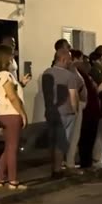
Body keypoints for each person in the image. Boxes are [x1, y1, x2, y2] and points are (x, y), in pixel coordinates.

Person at [0, 45, 27, 189]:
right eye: (11, 56)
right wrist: (22, 114)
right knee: (13, 148)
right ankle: (13, 181)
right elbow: (12, 97)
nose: (13, 59)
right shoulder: (5, 75)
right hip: (11, 114)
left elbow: (10, 92)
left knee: (8, 148)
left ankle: (0, 179)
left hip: (3, 114)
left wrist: (22, 83)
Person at [40, 48, 82, 177]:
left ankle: (54, 167)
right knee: (61, 142)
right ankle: (57, 169)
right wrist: (75, 111)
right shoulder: (69, 76)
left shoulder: (46, 73)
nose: (70, 62)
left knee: (53, 141)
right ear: (63, 59)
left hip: (50, 111)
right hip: (65, 112)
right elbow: (73, 96)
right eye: (69, 59)